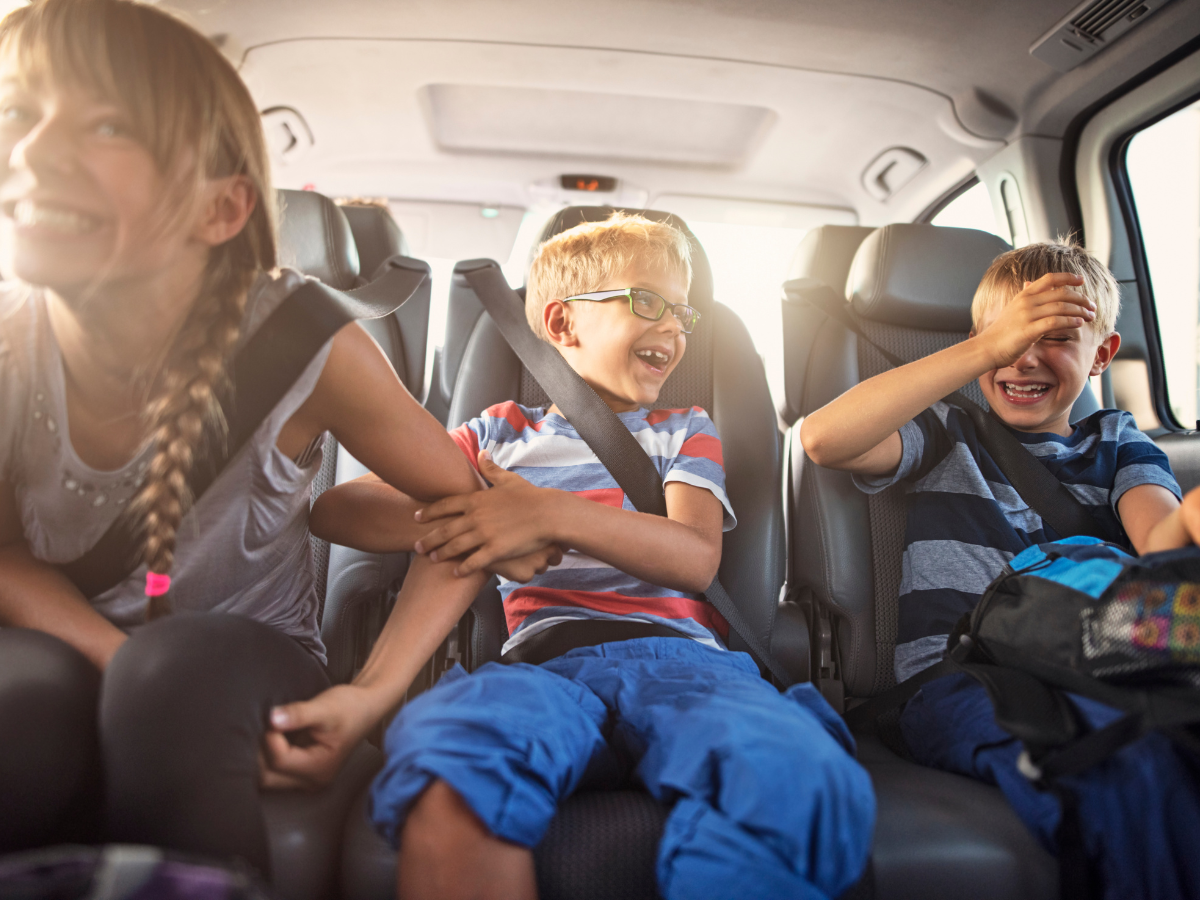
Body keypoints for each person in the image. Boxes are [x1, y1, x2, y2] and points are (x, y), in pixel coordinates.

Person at [0, 0, 556, 875]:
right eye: (17, 115)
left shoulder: (309, 345)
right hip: (73, 637)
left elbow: (469, 515)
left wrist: (369, 697)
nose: (30, 150)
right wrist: (112, 656)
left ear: (221, 210)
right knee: (20, 702)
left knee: (172, 675)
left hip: (249, 657)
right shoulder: (6, 340)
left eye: (106, 124)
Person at [311, 212, 875, 900]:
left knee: (795, 771)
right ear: (562, 325)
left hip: (686, 663)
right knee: (448, 751)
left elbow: (695, 558)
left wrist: (548, 513)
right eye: (648, 303)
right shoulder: (496, 435)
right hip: (541, 665)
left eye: (684, 314)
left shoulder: (684, 431)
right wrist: (482, 513)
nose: (673, 329)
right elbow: (337, 510)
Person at [800, 240, 1200, 900]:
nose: (1026, 356)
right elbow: (824, 439)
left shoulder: (1121, 444)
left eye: (1057, 338)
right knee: (1128, 767)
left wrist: (1189, 519)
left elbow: (1159, 543)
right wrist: (984, 348)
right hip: (960, 675)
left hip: (1096, 656)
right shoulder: (947, 431)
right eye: (1010, 337)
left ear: (1102, 353)